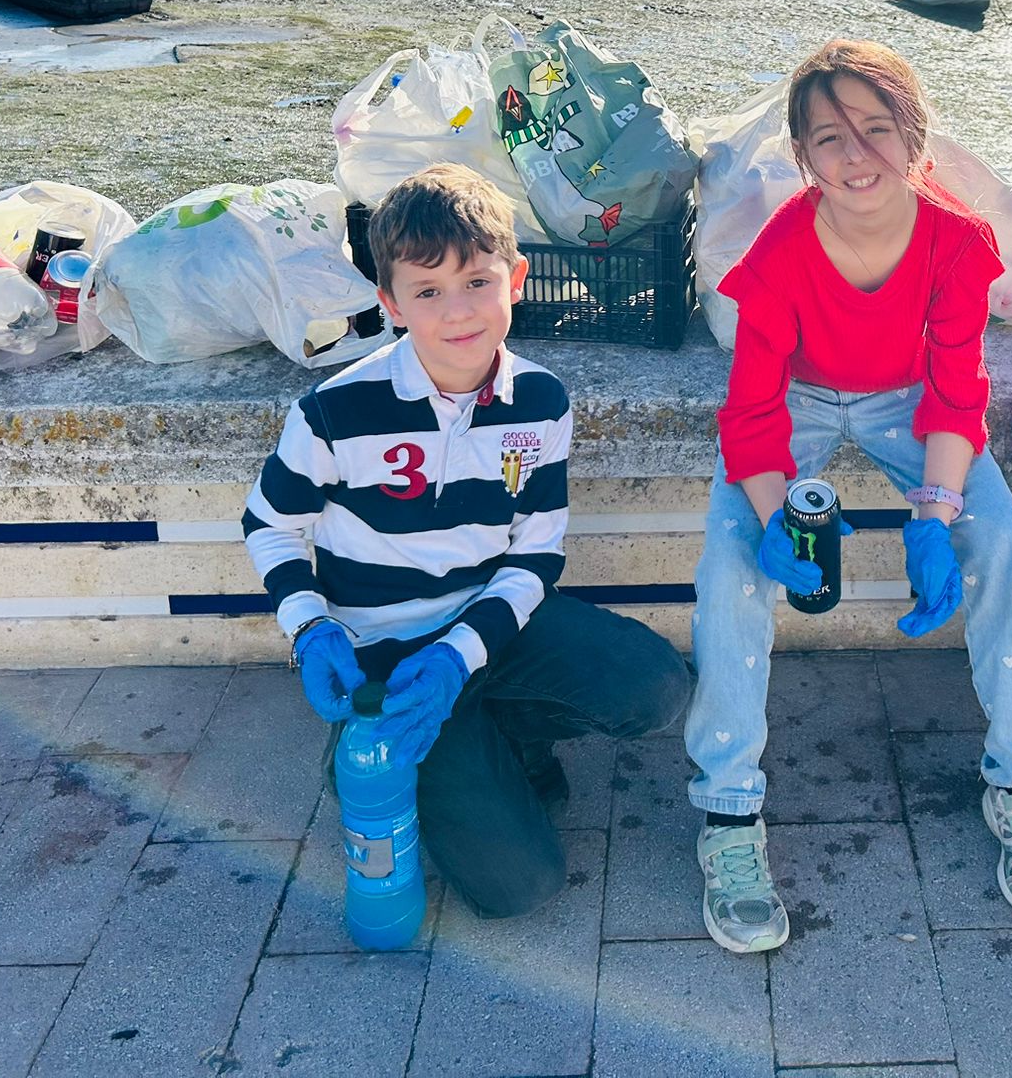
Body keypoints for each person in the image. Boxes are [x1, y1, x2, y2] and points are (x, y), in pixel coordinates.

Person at [687, 38, 1012, 955]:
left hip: (912, 404)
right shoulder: (779, 251)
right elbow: (749, 407)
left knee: (1004, 544)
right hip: (800, 401)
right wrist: (776, 519)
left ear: (914, 134)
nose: (856, 155)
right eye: (829, 137)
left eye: (876, 128)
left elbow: (955, 390)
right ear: (804, 156)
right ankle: (730, 814)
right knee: (731, 563)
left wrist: (935, 518)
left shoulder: (956, 239)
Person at [242, 163, 689, 918]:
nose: (458, 311)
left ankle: (495, 737)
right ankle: (374, 746)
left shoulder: (542, 400)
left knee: (657, 686)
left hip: (490, 628)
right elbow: (271, 526)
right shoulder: (332, 410)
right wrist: (310, 627)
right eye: (427, 291)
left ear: (516, 278)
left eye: (478, 281)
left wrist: (461, 652)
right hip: (385, 653)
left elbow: (536, 554)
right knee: (523, 890)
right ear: (390, 305)